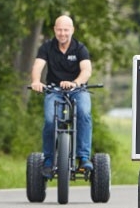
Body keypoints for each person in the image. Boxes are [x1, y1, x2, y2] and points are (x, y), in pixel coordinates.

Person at [29, 15, 94, 176]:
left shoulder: (80, 48)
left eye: (66, 30)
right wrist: (36, 81)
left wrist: (76, 83)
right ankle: (49, 159)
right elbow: (38, 66)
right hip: (54, 90)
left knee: (84, 113)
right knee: (50, 120)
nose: (62, 33)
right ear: (55, 30)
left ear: (72, 30)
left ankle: (83, 157)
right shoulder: (47, 47)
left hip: (78, 90)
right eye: (59, 29)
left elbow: (86, 70)